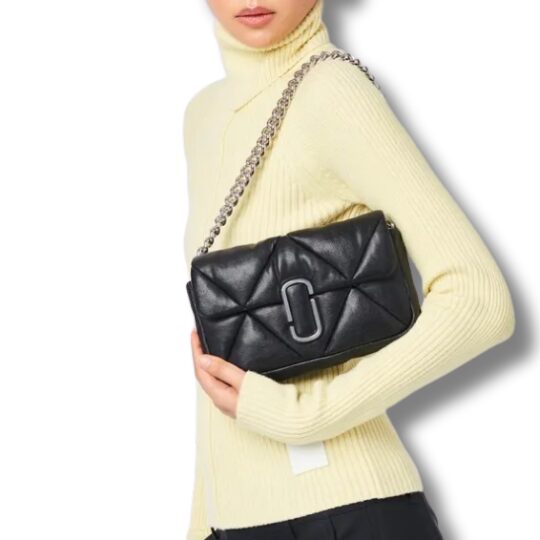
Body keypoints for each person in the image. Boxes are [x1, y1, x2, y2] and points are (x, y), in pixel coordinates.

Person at [182, 1, 516, 538]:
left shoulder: (331, 90)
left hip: (348, 510)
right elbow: (222, 370)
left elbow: (478, 299)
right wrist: (204, 524)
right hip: (238, 523)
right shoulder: (203, 115)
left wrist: (305, 415)